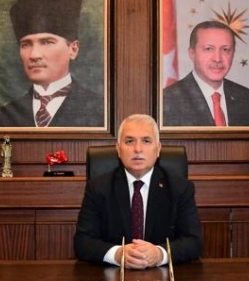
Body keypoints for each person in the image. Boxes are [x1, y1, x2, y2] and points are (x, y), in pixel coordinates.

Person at [74, 114, 203, 269]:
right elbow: (82, 242)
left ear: (158, 149)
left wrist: (160, 254)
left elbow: (194, 242)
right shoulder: (98, 187)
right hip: (113, 276)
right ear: (118, 149)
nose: (138, 149)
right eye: (129, 141)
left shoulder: (180, 188)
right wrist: (117, 254)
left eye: (146, 141)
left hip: (163, 277)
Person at [0, 0, 104, 128]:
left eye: (47, 42)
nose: (34, 55)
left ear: (73, 49)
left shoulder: (100, 111)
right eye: (26, 44)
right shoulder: (2, 118)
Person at [163, 20, 249, 127]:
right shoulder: (169, 99)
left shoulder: (243, 96)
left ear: (233, 54)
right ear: (192, 53)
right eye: (208, 49)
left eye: (225, 49)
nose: (217, 59)